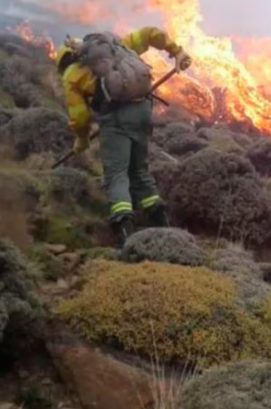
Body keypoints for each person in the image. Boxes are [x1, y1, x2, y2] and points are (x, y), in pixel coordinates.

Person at [54, 27, 192, 246]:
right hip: (143, 110)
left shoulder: (72, 76)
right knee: (139, 170)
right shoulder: (117, 47)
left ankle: (125, 233)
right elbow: (149, 33)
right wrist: (177, 51)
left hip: (116, 119)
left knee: (117, 174)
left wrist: (82, 139)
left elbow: (79, 117)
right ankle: (161, 222)